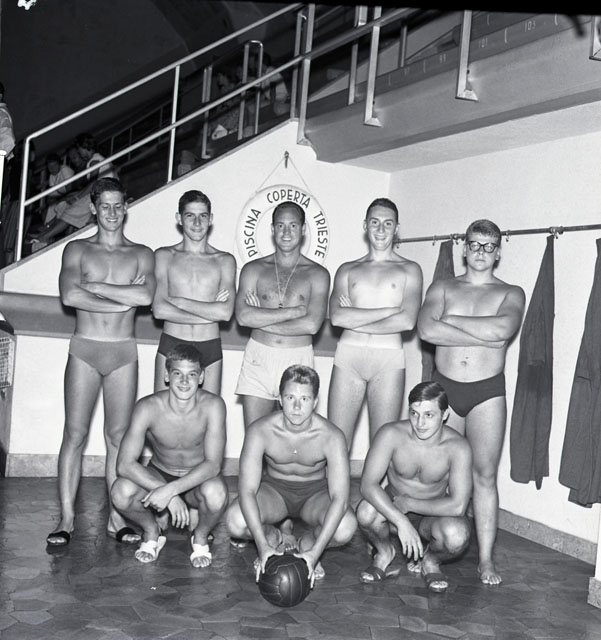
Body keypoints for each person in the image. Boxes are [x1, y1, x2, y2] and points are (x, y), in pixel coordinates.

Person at [46, 177, 156, 548]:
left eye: (118, 205)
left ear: (126, 207)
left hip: (123, 351)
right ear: (93, 208)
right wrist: (123, 300)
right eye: (104, 205)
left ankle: (116, 517)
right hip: (85, 349)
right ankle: (66, 517)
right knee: (74, 435)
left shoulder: (142, 253)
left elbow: (146, 296)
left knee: (118, 439)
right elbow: (69, 295)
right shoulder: (77, 249)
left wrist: (95, 287)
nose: (112, 212)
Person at [417, 219, 525, 585]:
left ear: (498, 252)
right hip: (444, 388)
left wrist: (450, 320)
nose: (481, 252)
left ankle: (486, 559)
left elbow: (503, 330)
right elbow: (426, 329)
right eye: (475, 244)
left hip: (486, 392)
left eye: (488, 246)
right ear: (465, 248)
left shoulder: (511, 292)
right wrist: (485, 335)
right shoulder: (443, 286)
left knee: (484, 475)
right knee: (435, 473)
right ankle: (429, 546)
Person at [226, 365, 357, 583]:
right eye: (290, 397)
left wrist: (315, 554)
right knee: (235, 522)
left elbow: (340, 499)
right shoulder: (260, 430)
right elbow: (247, 490)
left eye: (304, 399)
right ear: (280, 399)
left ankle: (308, 544)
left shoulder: (332, 436)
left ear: (315, 402)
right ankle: (272, 537)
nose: (297, 407)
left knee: (345, 528)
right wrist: (262, 546)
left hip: (314, 495)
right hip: (274, 491)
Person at [111, 344, 228, 565]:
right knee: (120, 492)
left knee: (217, 494)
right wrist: (167, 493)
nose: (184, 381)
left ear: (201, 377)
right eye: (177, 373)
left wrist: (172, 490)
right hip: (160, 473)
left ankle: (200, 537)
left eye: (191, 374)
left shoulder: (213, 406)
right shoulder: (147, 407)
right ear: (166, 375)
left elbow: (213, 464)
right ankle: (152, 531)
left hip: (196, 479)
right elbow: (124, 464)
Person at [356, 381, 472, 592]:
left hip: (431, 516)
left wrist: (410, 504)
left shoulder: (457, 447)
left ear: (444, 415)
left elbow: (458, 506)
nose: (420, 423)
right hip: (394, 508)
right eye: (414, 414)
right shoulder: (390, 434)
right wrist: (401, 521)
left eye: (429, 415)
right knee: (365, 511)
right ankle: (384, 552)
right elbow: (367, 485)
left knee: (457, 535)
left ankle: (430, 561)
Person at [328, 197, 423, 450]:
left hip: (388, 359)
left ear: (396, 228)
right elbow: (337, 318)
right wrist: (389, 310)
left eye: (387, 223)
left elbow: (407, 321)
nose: (381, 229)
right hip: (349, 356)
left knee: (383, 444)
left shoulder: (410, 270)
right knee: (336, 442)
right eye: (375, 222)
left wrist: (355, 318)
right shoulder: (347, 269)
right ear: (365, 225)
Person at [234, 200, 330, 429]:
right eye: (280, 225)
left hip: (297, 358)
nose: (286, 232)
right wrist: (293, 312)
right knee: (255, 435)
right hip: (258, 358)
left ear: (303, 229)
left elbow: (311, 325)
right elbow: (243, 317)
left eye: (293, 225)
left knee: (294, 439)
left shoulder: (317, 274)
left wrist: (260, 318)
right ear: (272, 228)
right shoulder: (253, 269)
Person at [152, 190, 236, 395]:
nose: (197, 223)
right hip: (172, 342)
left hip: (209, 346)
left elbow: (225, 313)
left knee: (210, 412)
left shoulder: (224, 260)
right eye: (190, 215)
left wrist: (180, 302)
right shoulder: (164, 256)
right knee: (161, 412)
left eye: (203, 216)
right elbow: (160, 310)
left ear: (211, 219)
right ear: (179, 218)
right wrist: (210, 312)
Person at [31, 133, 117, 248]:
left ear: (84, 147)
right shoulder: (94, 160)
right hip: (99, 192)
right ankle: (47, 234)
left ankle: (45, 237)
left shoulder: (95, 160)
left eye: (79, 150)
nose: (79, 153)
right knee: (64, 205)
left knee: (72, 209)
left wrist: (77, 197)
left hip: (103, 194)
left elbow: (93, 183)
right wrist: (75, 195)